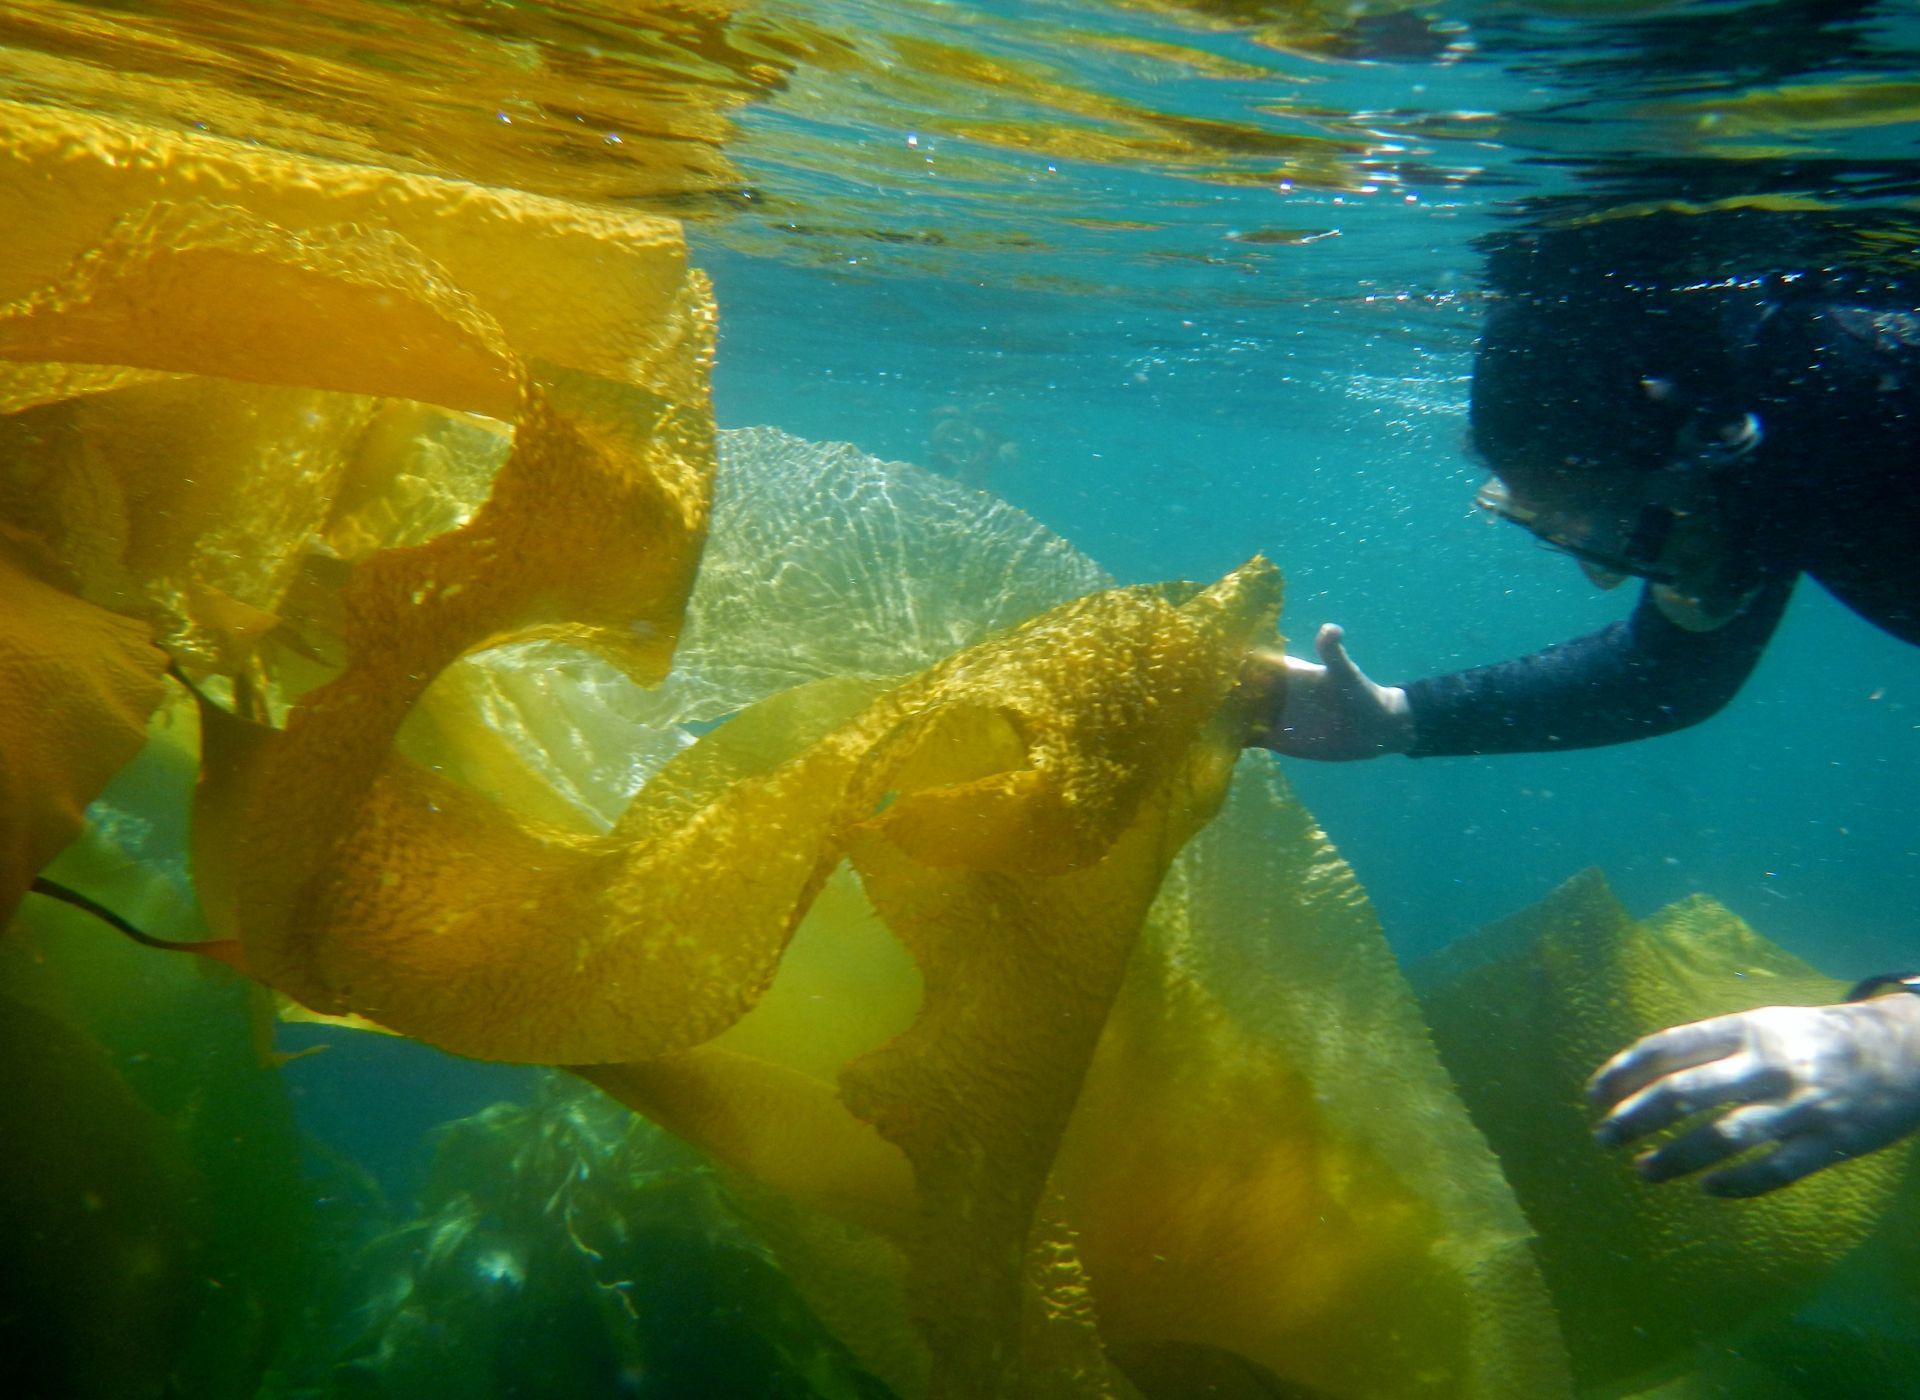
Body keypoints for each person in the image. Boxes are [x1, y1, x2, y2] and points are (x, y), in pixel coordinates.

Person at [1251, 218, 1920, 1197]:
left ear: (1712, 443)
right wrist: (1400, 718)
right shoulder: (1776, 433)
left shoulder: (1877, 413)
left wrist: (1902, 1036)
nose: (1606, 578)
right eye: (1557, 532)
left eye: (1611, 525)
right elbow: (1670, 669)